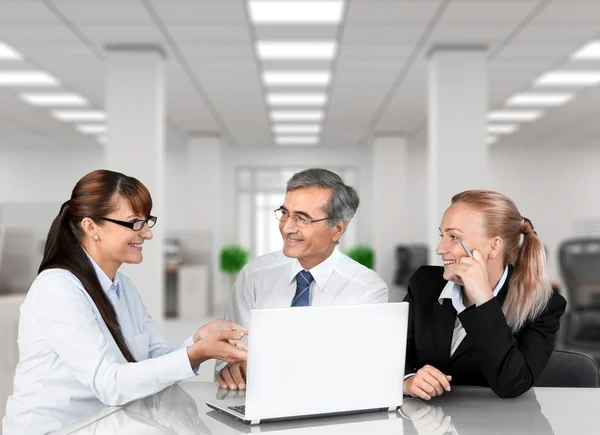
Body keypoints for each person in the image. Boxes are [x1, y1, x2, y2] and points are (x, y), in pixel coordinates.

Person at [3, 170, 247, 435]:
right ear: (91, 226)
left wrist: (197, 341)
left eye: (146, 221)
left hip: (105, 425)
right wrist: (196, 354)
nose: (147, 235)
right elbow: (109, 384)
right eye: (134, 223)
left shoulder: (124, 288)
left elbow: (154, 357)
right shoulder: (57, 288)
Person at [216, 168, 388, 390]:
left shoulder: (367, 289)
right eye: (285, 213)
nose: (287, 227)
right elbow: (231, 348)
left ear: (337, 228)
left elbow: (361, 369)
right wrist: (229, 366)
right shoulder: (254, 275)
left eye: (302, 218)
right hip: (257, 401)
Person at [403, 190, 566, 400]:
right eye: (442, 235)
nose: (440, 248)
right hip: (427, 423)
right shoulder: (424, 283)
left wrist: (484, 300)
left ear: (494, 246)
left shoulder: (543, 304)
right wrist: (408, 380)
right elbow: (391, 354)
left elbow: (513, 384)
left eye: (454, 237)